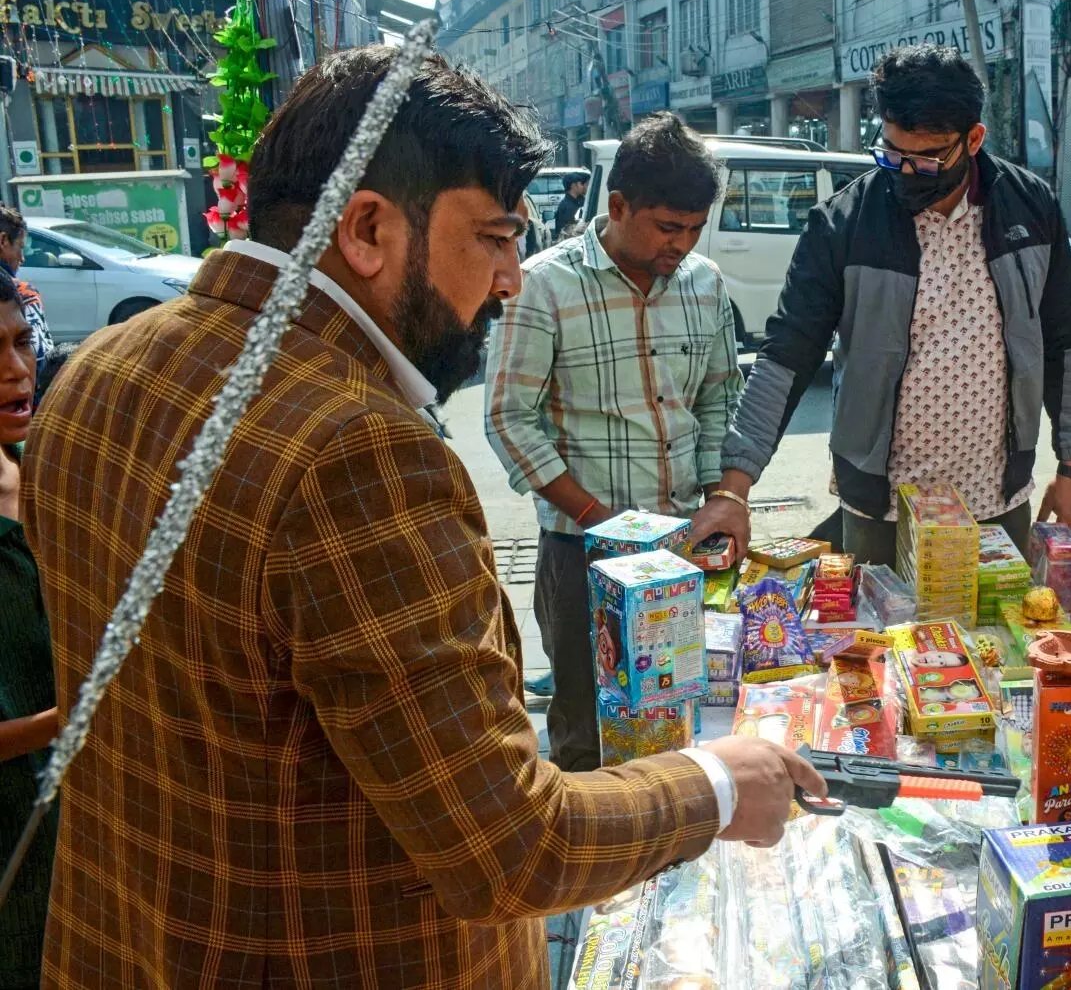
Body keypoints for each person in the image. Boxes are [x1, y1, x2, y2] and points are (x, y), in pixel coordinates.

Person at [21, 48, 822, 989]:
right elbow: (511, 847)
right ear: (368, 228)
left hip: (127, 945)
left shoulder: (99, 367)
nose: (510, 279)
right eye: (493, 237)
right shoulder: (357, 448)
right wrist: (718, 783)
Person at [698, 45, 1071, 565]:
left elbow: (1068, 342)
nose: (906, 172)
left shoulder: (1031, 208)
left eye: (926, 160)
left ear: (974, 139)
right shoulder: (842, 224)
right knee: (875, 620)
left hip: (996, 501)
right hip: (881, 509)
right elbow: (785, 357)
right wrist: (733, 490)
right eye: (891, 153)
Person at [485, 113, 743, 771]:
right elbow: (510, 419)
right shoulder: (543, 285)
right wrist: (603, 523)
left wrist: (720, 499)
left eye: (694, 228)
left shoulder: (705, 283)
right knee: (586, 729)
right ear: (619, 205)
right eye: (668, 227)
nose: (682, 244)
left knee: (681, 718)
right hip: (581, 555)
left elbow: (718, 400)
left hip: (683, 548)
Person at [0, 270, 57, 990]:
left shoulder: (40, 472)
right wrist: (68, 720)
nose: (16, 369)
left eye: (21, 342)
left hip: (62, 840)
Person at [0, 207, 50, 382]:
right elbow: (40, 357)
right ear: (3, 241)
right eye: (20, 247)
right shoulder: (23, 293)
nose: (21, 258)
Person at [553, 169, 590, 236]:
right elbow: (567, 230)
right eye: (580, 184)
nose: (582, 187)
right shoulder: (567, 206)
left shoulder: (575, 201)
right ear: (573, 185)